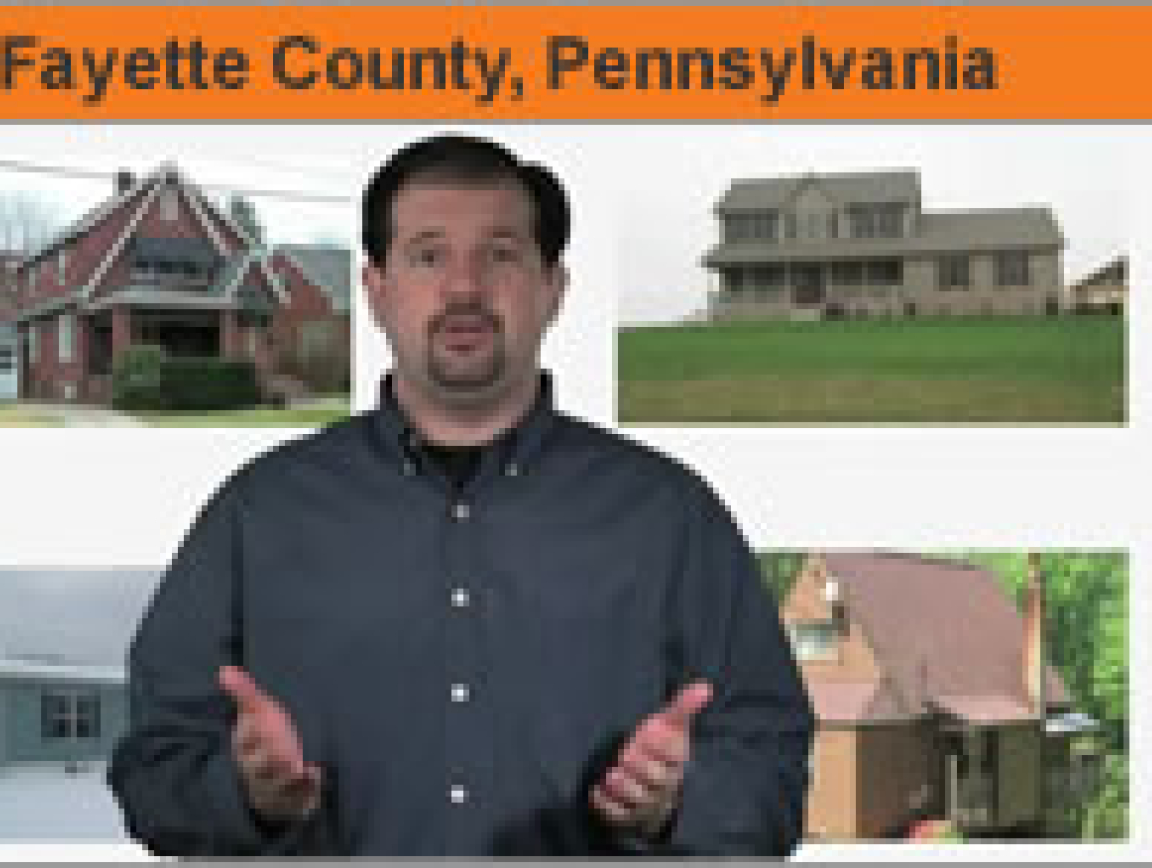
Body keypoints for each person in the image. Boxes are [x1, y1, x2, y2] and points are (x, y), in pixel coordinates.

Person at [107, 133, 814, 857]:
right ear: (377, 291)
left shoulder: (670, 517)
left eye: (501, 254)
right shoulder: (258, 514)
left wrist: (676, 806)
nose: (465, 287)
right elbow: (149, 775)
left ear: (552, 289)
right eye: (428, 254)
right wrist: (245, 795)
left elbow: (776, 780)